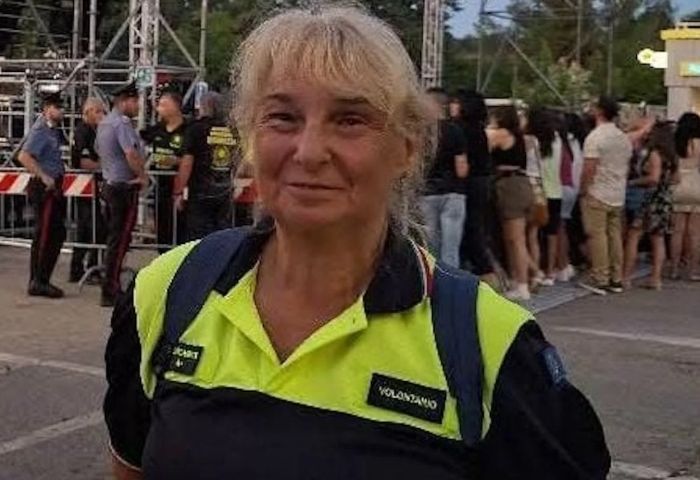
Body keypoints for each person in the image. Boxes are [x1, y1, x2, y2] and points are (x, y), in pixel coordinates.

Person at [103, 6, 610, 480]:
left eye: (349, 120)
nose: (309, 152)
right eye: (282, 117)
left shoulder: (486, 341)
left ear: (407, 148)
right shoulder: (167, 293)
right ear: (250, 138)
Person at [95, 81, 148, 307]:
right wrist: (143, 176)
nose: (138, 106)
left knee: (115, 239)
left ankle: (111, 284)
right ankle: (111, 288)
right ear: (125, 101)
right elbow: (131, 153)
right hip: (123, 189)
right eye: (135, 101)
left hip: (110, 185)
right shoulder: (121, 124)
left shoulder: (105, 123)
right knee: (120, 240)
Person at [578, 96, 632, 295]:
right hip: (618, 192)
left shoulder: (595, 137)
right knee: (614, 235)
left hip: (598, 191)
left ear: (599, 111)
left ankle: (600, 277)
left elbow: (589, 168)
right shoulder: (623, 138)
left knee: (597, 235)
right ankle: (616, 277)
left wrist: (584, 189)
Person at [17, 92, 66, 298]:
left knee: (56, 233)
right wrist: (44, 176)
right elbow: (24, 156)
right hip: (44, 188)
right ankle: (38, 281)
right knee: (45, 234)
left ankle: (42, 278)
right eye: (57, 107)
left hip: (53, 187)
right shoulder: (41, 130)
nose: (61, 111)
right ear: (47, 109)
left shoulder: (52, 131)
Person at [173, 91, 237, 241]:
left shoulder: (196, 129)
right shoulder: (232, 130)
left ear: (203, 107)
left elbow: (187, 163)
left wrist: (178, 191)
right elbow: (240, 160)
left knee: (198, 236)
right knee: (223, 235)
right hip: (225, 190)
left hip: (200, 191)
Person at [623, 122, 677, 290]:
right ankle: (656, 278)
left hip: (650, 197)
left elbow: (653, 178)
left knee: (634, 234)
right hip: (664, 198)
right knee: (658, 238)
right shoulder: (672, 157)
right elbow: (676, 179)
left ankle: (626, 277)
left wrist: (633, 182)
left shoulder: (654, 153)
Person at [487, 106, 534, 301]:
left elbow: (486, 143)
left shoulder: (501, 134)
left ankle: (522, 284)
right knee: (512, 238)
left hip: (510, 186)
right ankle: (519, 281)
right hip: (521, 184)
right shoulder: (520, 136)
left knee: (516, 239)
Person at [420, 87, 469, 268]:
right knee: (451, 246)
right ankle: (452, 281)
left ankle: (433, 281)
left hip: (427, 192)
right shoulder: (456, 131)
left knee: (430, 245)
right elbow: (461, 169)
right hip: (454, 193)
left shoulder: (421, 132)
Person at [457, 90, 496, 283]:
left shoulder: (463, 129)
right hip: (483, 181)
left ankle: (486, 271)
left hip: (470, 182)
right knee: (476, 226)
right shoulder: (479, 129)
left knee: (471, 227)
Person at [141, 90, 187, 252]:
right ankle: (162, 254)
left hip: (181, 185)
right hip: (159, 185)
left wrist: (177, 161)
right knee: (162, 225)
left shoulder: (188, 130)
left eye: (163, 105)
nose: (159, 108)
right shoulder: (156, 130)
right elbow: (138, 141)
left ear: (175, 107)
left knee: (180, 225)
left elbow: (193, 156)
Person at [69, 97, 107, 283]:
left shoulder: (94, 130)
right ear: (89, 112)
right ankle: (88, 268)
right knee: (94, 229)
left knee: (88, 230)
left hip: (91, 187)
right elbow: (84, 162)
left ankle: (80, 268)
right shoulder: (83, 131)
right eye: (98, 112)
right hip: (84, 186)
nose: (102, 116)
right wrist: (106, 167)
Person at [670, 112, 700, 280]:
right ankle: (693, 271)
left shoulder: (675, 143)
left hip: (678, 185)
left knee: (677, 232)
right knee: (695, 233)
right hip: (696, 185)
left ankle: (674, 269)